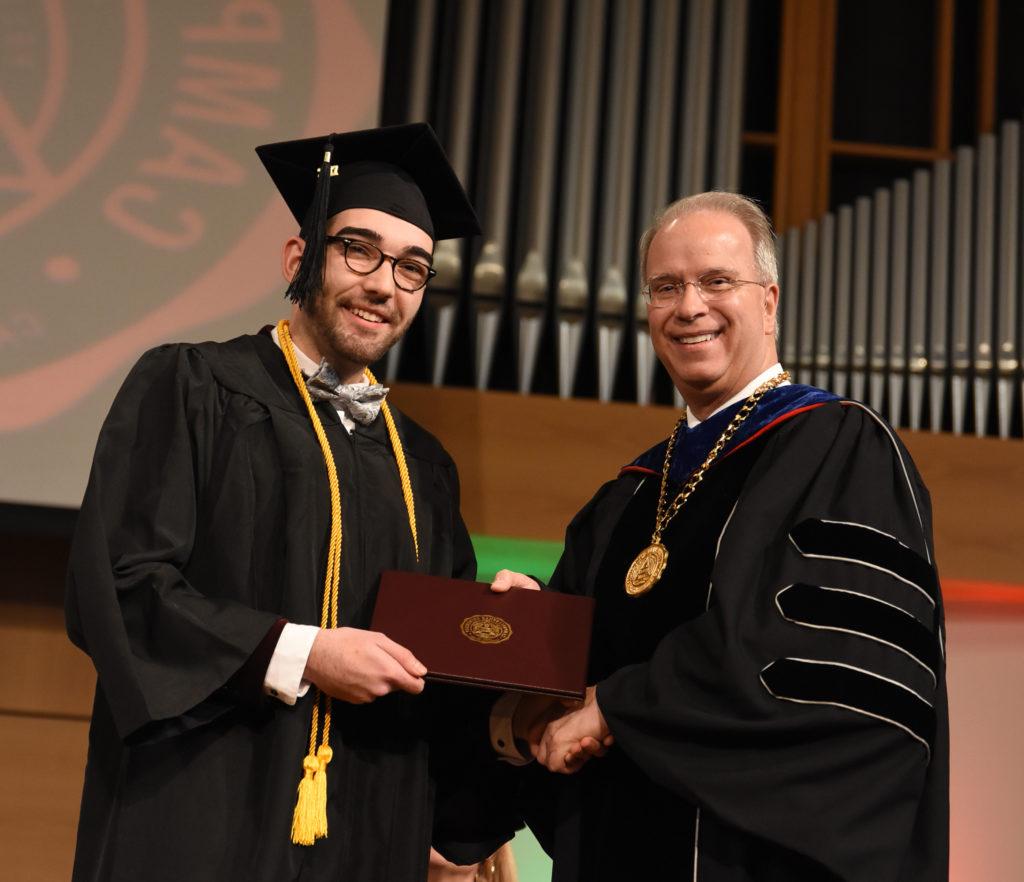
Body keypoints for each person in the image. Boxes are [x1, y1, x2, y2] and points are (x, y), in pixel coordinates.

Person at [65, 123, 513, 882]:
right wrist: (304, 653)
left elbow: (434, 672)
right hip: (198, 817)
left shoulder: (423, 469)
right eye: (359, 250)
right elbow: (120, 584)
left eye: (413, 268)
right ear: (299, 257)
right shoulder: (191, 388)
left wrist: (501, 635)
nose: (384, 284)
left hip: (365, 836)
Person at [495, 192, 948, 880]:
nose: (689, 307)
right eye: (665, 287)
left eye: (716, 281)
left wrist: (615, 710)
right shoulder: (630, 495)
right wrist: (525, 647)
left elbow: (817, 662)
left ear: (768, 300)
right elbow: (567, 679)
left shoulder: (839, 447)